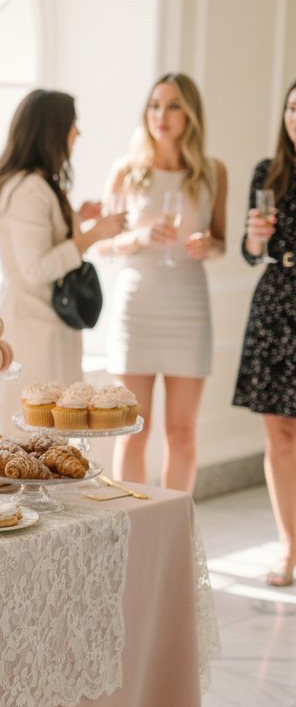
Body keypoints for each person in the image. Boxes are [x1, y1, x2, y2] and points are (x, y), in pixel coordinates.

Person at [94, 73, 227, 492]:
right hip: (138, 308)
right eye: (155, 105)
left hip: (188, 306)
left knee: (182, 434)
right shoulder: (127, 171)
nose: (161, 115)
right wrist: (138, 237)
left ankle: (176, 532)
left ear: (190, 114)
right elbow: (102, 245)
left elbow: (223, 242)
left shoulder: (213, 172)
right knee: (134, 429)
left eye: (172, 106)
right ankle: (132, 529)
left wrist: (210, 245)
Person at [0, 89, 126, 435]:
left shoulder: (28, 184)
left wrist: (76, 219)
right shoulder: (32, 189)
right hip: (35, 328)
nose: (77, 133)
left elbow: (39, 244)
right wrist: (93, 235)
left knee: (46, 431)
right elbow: (36, 268)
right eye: (73, 124)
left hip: (41, 321)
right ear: (53, 130)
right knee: (38, 431)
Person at [233, 79, 296, 586]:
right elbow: (250, 252)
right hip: (277, 302)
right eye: (292, 108)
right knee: (278, 432)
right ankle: (287, 545)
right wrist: (255, 242)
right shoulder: (268, 172)